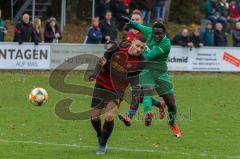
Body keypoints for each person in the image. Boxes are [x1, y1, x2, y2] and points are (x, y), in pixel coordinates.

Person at [121, 16, 182, 137]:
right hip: (146, 69)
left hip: (160, 72)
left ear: (164, 33)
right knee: (147, 90)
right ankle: (147, 114)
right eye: (155, 34)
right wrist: (130, 22)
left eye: (159, 34)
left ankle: (172, 122)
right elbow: (139, 26)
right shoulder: (150, 31)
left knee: (171, 103)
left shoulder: (166, 44)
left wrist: (134, 55)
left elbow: (148, 56)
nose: (156, 36)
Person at [90, 35, 146, 154]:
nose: (139, 49)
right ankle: (100, 136)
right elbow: (102, 60)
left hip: (117, 89)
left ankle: (103, 145)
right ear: (132, 43)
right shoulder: (116, 48)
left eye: (142, 48)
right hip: (102, 84)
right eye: (137, 46)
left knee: (109, 116)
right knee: (94, 117)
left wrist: (136, 94)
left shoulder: (141, 61)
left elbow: (134, 79)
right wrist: (95, 73)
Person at [119, 9, 166, 127]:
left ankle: (129, 117)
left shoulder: (148, 34)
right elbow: (122, 48)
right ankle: (159, 105)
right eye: (133, 19)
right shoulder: (128, 35)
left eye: (137, 19)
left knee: (137, 92)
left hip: (144, 68)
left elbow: (156, 49)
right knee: (139, 95)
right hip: (128, 69)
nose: (134, 21)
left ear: (142, 21)